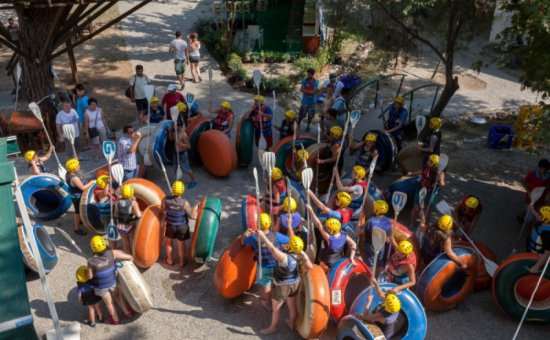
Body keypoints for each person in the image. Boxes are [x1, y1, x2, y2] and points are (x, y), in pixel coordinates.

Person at [255, 233, 312, 334]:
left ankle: (273, 327)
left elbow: (272, 248)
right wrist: (300, 251)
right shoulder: (300, 254)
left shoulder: (284, 257)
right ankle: (291, 323)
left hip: (282, 286)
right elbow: (310, 266)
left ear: (290, 246)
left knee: (276, 308)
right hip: (295, 283)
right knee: (292, 305)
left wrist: (263, 236)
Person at [242, 213, 289, 310]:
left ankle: (268, 304)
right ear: (270, 224)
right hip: (277, 265)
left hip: (263, 266)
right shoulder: (277, 236)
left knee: (266, 285)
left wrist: (245, 234)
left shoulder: (253, 237)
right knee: (278, 283)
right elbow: (289, 240)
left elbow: (242, 242)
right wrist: (283, 247)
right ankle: (279, 302)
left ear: (258, 225)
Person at [87, 235, 134, 325]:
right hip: (112, 282)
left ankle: (115, 319)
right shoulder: (112, 253)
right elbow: (128, 257)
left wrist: (89, 268)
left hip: (101, 286)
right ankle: (127, 312)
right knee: (117, 296)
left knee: (109, 303)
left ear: (93, 248)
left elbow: (90, 277)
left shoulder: (91, 261)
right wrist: (130, 259)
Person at [161, 180, 198, 267]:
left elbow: (163, 211)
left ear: (172, 189)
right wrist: (196, 207)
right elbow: (192, 216)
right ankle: (182, 262)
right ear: (182, 190)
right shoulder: (185, 203)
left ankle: (169, 260)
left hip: (171, 225)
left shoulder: (165, 200)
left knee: (169, 242)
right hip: (182, 227)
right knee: (181, 244)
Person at [357, 199, 394, 278]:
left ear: (376, 210)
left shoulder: (370, 221)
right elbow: (390, 237)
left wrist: (359, 224)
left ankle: (369, 282)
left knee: (369, 266)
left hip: (370, 247)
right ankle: (378, 280)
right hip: (381, 246)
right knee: (379, 264)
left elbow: (359, 232)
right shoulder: (387, 222)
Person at [409, 154, 446, 230]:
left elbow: (442, 183)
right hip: (421, 189)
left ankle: (425, 225)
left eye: (429, 161)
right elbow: (421, 172)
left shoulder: (440, 173)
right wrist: (412, 174)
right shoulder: (426, 166)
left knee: (427, 210)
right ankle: (412, 224)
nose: (427, 161)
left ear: (434, 164)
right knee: (416, 207)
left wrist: (440, 181)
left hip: (430, 192)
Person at [65, 158, 95, 235]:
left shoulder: (68, 173)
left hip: (74, 194)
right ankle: (77, 228)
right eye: (78, 166)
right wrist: (91, 182)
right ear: (74, 168)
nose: (79, 166)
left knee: (79, 210)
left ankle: (80, 220)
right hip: (77, 196)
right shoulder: (74, 178)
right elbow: (83, 188)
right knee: (77, 212)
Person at [168, 120, 197, 188]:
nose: (173, 127)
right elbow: (171, 139)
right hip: (175, 154)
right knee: (175, 167)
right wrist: (169, 131)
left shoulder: (183, 135)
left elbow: (189, 146)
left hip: (182, 154)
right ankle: (177, 181)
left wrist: (180, 144)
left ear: (179, 126)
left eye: (175, 125)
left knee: (186, 168)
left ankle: (194, 180)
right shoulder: (175, 132)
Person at [114, 184, 142, 254]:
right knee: (134, 239)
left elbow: (115, 214)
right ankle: (136, 254)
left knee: (126, 242)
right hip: (131, 225)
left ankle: (129, 257)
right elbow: (139, 215)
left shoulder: (117, 202)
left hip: (121, 225)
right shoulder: (133, 203)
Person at [521, 159, 550, 224]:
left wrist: (548, 196)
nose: (542, 170)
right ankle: (525, 216)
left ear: (547, 168)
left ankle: (531, 228)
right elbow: (524, 182)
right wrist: (528, 192)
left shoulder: (549, 177)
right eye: (541, 168)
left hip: (541, 199)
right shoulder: (532, 174)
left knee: (537, 218)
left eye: (544, 169)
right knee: (529, 219)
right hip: (531, 198)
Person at [528, 206, 550, 273]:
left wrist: (536, 267)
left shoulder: (546, 233)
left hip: (538, 254)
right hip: (534, 249)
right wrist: (532, 209)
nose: (538, 215)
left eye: (540, 214)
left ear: (545, 219)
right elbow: (537, 216)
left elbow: (547, 252)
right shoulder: (544, 222)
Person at [74, 84, 90, 150]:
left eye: (77, 91)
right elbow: (77, 106)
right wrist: (73, 97)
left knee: (84, 132)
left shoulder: (84, 99)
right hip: (79, 118)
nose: (76, 93)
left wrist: (85, 121)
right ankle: (85, 145)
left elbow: (86, 110)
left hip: (83, 119)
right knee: (83, 132)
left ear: (81, 91)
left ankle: (86, 145)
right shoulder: (79, 98)